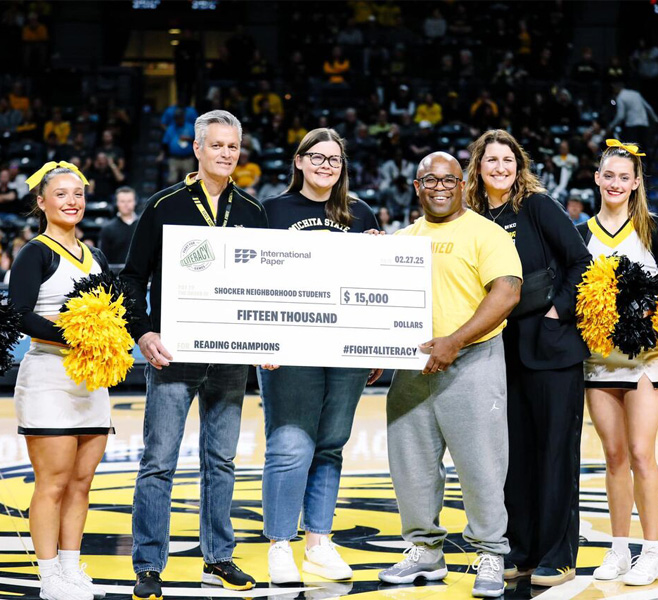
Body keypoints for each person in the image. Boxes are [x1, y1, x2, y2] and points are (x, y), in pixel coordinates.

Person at [122, 111, 267, 600]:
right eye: (217, 145)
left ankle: (217, 558)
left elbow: (265, 289)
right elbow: (132, 278)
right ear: (198, 149)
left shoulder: (252, 210)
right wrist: (142, 333)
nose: (226, 154)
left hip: (230, 357)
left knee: (221, 461)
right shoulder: (162, 205)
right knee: (158, 461)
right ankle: (148, 564)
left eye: (233, 146)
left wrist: (269, 340)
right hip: (171, 356)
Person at [378, 151, 522, 598]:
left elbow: (507, 293)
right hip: (414, 366)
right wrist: (376, 350)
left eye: (449, 180)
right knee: (411, 465)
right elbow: (379, 300)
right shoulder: (403, 238)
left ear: (463, 185)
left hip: (472, 360)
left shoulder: (488, 232)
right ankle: (424, 551)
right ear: (416, 187)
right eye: (430, 180)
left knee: (481, 464)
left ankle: (491, 553)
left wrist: (454, 341)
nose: (440, 187)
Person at [465, 131, 591, 586]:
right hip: (500, 351)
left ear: (519, 165)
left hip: (552, 347)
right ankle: (521, 548)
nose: (500, 167)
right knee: (512, 456)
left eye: (508, 160)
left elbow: (581, 260)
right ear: (478, 166)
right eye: (491, 160)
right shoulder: (473, 216)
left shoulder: (537, 205)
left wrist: (559, 308)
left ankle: (558, 554)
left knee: (555, 452)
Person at [260, 129, 382, 584]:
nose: (326, 166)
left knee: (331, 445)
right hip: (288, 349)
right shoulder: (270, 211)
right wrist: (261, 340)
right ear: (299, 161)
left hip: (345, 350)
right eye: (317, 157)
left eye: (334, 159)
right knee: (290, 444)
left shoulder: (359, 212)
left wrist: (376, 344)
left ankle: (318, 541)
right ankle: (279, 544)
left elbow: (376, 285)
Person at [577, 140, 658, 586]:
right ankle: (619, 550)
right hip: (599, 362)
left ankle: (652, 551)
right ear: (597, 179)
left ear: (636, 183)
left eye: (625, 177)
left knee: (641, 453)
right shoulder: (581, 233)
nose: (616, 183)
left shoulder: (653, 228)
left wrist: (646, 315)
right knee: (614, 457)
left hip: (646, 360)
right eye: (609, 176)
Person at [10, 162, 113, 600]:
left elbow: (113, 312)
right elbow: (18, 315)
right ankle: (48, 575)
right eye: (62, 194)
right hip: (50, 375)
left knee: (81, 483)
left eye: (78, 194)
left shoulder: (97, 254)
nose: (72, 201)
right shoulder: (35, 252)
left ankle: (71, 568)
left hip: (92, 380)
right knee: (52, 482)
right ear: (42, 202)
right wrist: (75, 330)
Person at [98, 186, 138, 265]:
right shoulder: (107, 229)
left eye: (129, 201)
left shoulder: (143, 225)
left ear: (135, 202)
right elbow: (104, 258)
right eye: (122, 201)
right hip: (116, 275)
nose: (126, 205)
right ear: (117, 203)